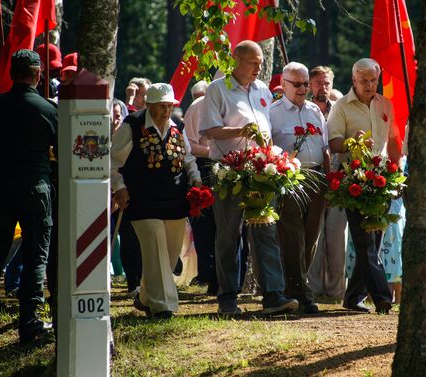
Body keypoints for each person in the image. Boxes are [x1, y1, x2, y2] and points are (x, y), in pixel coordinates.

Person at [200, 40, 298, 315]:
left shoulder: (263, 90)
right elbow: (209, 130)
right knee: (229, 236)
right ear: (236, 60)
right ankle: (228, 298)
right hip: (229, 171)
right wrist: (241, 131)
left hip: (260, 170)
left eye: (261, 64)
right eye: (254, 63)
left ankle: (273, 296)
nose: (259, 67)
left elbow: (269, 127)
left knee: (265, 231)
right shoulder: (217, 89)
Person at [0, 50, 58, 346]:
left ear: (11, 74)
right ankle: (30, 324)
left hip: (0, 188)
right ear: (38, 74)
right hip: (35, 187)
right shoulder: (48, 110)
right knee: (36, 255)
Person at [111, 83, 202, 319]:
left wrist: (197, 180)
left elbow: (188, 157)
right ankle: (164, 306)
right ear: (148, 105)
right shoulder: (132, 126)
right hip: (142, 201)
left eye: (169, 106)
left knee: (170, 256)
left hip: (174, 201)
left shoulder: (177, 127)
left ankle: (145, 298)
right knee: (155, 250)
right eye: (160, 106)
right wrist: (119, 188)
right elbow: (112, 161)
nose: (165, 111)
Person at [327, 58, 401, 314]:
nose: (370, 85)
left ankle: (353, 297)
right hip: (352, 180)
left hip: (381, 179)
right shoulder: (341, 107)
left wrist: (397, 169)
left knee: (374, 241)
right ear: (354, 80)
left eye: (373, 80)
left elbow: (392, 141)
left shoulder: (385, 104)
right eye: (364, 81)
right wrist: (351, 142)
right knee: (364, 240)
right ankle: (382, 296)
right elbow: (333, 143)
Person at [270, 62, 330, 313]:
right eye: (298, 84)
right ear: (283, 85)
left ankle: (293, 285)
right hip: (290, 179)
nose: (304, 88)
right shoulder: (273, 113)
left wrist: (328, 180)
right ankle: (300, 290)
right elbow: (268, 147)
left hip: (316, 178)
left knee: (311, 236)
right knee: (292, 236)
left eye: (306, 83)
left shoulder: (315, 111)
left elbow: (324, 147)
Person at [307, 65, 349, 299]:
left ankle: (335, 291)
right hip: (313, 180)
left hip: (338, 181)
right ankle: (312, 288)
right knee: (314, 236)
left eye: (326, 83)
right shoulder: (307, 110)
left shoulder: (340, 110)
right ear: (311, 85)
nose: (322, 87)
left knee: (336, 238)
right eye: (318, 83)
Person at [184, 80, 219, 295]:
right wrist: (211, 152)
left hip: (224, 164)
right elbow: (188, 144)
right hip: (203, 167)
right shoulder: (197, 106)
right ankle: (207, 272)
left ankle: (221, 276)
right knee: (204, 224)